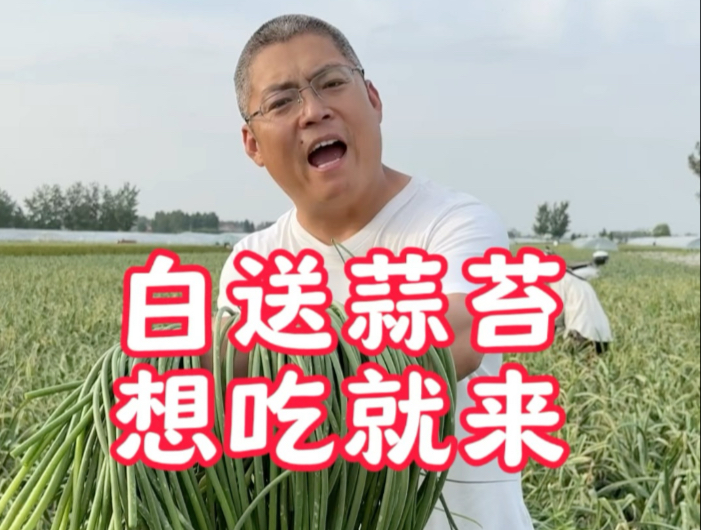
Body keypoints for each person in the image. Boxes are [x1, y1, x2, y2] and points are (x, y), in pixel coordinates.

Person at [207, 14, 535, 530]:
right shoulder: (255, 261)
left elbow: (459, 334)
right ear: (252, 145)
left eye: (332, 82)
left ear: (374, 99)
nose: (314, 110)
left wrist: (238, 360)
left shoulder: (455, 222)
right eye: (282, 101)